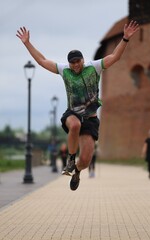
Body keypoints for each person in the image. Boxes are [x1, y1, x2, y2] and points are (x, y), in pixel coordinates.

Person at [16, 20, 139, 191]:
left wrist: (125, 38)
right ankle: (71, 159)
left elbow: (114, 57)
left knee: (86, 160)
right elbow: (42, 61)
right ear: (69, 63)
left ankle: (77, 171)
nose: (75, 65)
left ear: (82, 60)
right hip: (72, 113)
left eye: (78, 61)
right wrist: (27, 43)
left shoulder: (94, 67)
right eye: (72, 62)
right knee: (74, 125)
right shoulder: (64, 70)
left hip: (90, 119)